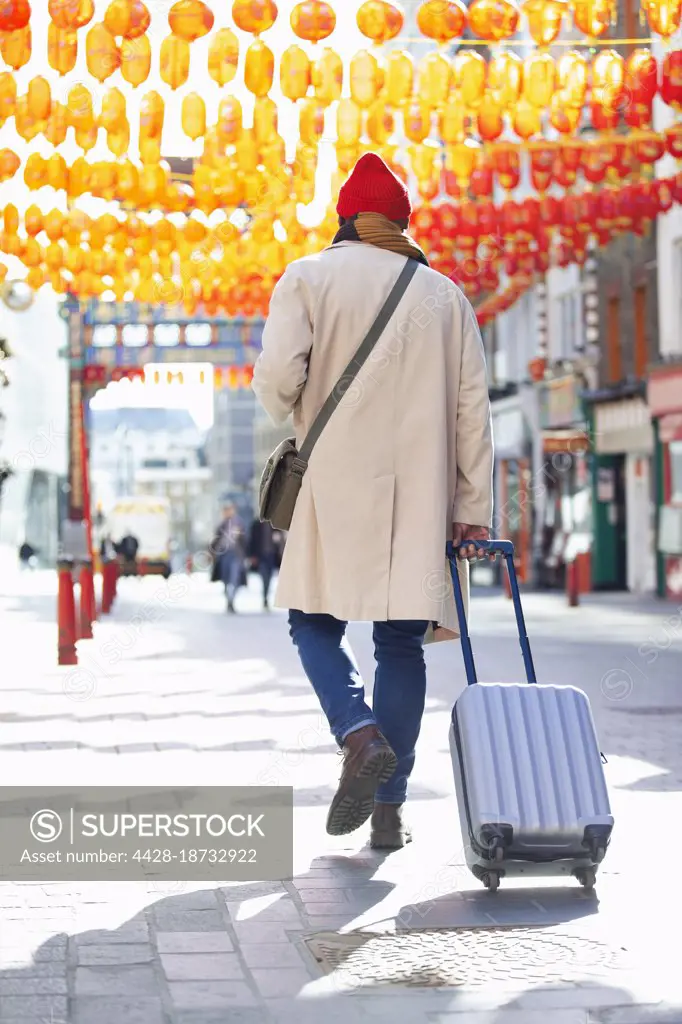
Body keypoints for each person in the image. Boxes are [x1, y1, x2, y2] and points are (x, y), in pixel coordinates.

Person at [252, 152, 494, 850]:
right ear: (401, 224)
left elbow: (276, 379)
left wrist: (289, 406)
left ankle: (357, 734)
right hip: (421, 496)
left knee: (312, 621)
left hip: (333, 484)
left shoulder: (308, 277)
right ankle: (388, 810)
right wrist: (473, 504)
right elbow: (471, 413)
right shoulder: (445, 296)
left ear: (346, 220)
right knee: (401, 644)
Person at [212, 503, 246, 613]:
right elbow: (215, 541)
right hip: (223, 555)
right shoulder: (221, 524)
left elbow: (244, 540)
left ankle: (231, 600)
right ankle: (229, 601)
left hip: (236, 555)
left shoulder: (239, 523)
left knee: (235, 578)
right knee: (225, 579)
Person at [248, 520, 284, 610]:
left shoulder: (275, 525)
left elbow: (280, 542)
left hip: (272, 556)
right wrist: (252, 556)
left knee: (270, 578)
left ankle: (266, 597)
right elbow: (252, 540)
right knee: (264, 577)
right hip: (261, 556)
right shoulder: (256, 524)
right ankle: (265, 598)